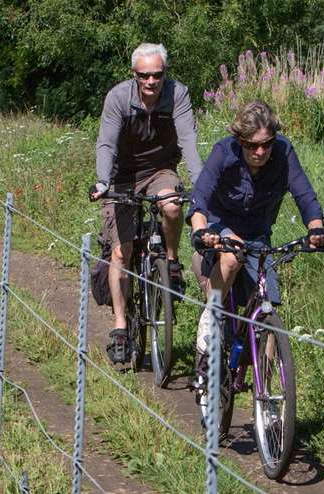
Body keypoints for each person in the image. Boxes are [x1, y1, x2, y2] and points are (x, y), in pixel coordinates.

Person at [186, 99, 324, 388]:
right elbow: (200, 196)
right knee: (232, 256)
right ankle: (209, 319)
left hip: (258, 232)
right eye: (252, 146)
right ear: (240, 140)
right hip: (219, 226)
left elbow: (304, 194)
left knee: (268, 306)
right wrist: (201, 231)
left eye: (267, 143)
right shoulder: (223, 152)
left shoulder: (283, 152)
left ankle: (264, 397)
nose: (261, 151)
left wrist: (317, 229)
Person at [90, 42, 204, 364]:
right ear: (134, 75)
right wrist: (102, 182)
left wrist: (202, 182)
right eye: (144, 76)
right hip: (122, 176)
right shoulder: (118, 98)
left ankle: (169, 261)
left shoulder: (177, 95)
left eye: (157, 75)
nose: (151, 82)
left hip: (160, 170)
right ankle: (121, 327)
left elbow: (188, 140)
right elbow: (106, 143)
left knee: (172, 206)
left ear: (164, 73)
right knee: (121, 254)